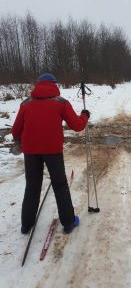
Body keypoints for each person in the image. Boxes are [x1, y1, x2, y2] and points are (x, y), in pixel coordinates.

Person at [12, 73, 90, 234]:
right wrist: (85, 115)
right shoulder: (61, 103)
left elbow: (15, 130)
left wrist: (21, 140)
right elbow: (76, 125)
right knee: (60, 185)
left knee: (32, 186)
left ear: (37, 85)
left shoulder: (26, 104)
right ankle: (68, 222)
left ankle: (26, 225)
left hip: (31, 151)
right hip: (52, 150)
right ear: (54, 84)